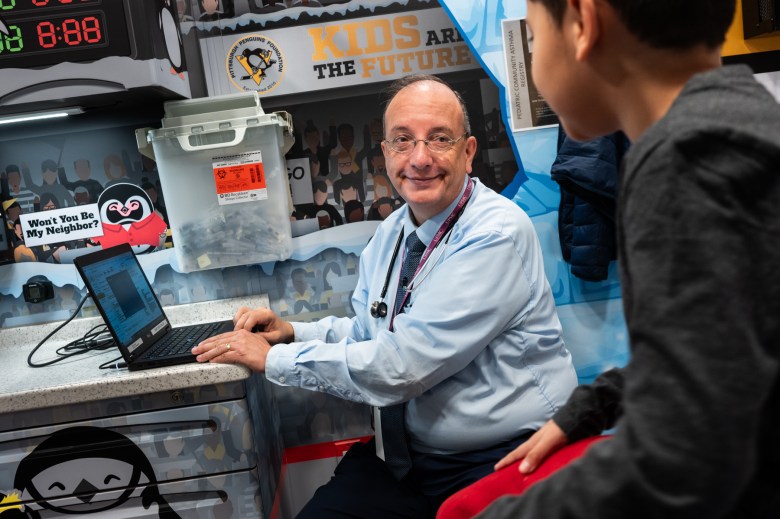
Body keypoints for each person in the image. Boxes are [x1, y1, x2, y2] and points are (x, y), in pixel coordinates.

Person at [193, 73, 578, 518]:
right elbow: (368, 330)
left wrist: (273, 360)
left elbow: (401, 366)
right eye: (403, 141)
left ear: (468, 152)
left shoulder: (494, 235)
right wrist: (293, 333)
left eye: (439, 139)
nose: (420, 158)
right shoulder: (394, 232)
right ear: (385, 154)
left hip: (502, 457)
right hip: (409, 461)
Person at [456, 1, 780, 518]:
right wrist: (594, 405)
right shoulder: (732, 125)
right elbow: (726, 353)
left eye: (535, 39)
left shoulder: (690, 161)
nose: (535, 66)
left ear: (584, 23)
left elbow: (683, 458)